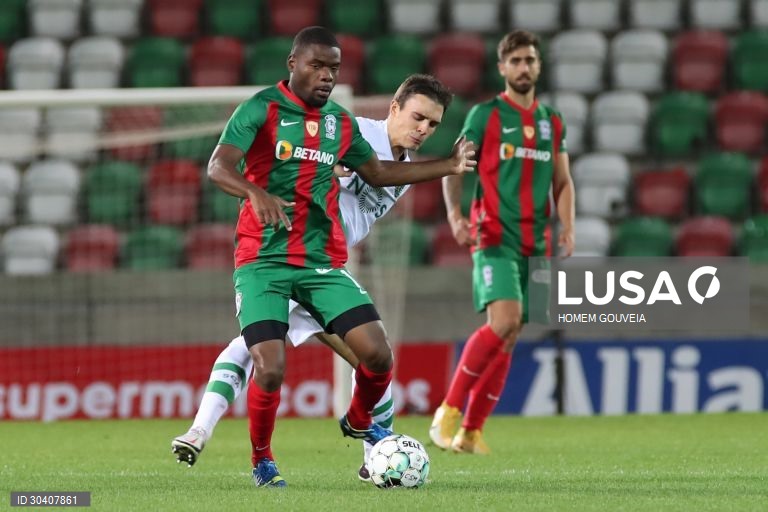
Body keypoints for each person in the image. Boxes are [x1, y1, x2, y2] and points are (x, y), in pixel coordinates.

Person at [201, 26, 474, 487]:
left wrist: (451, 175)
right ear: (394, 107)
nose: (424, 128)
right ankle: (210, 435)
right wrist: (268, 189)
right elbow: (294, 157)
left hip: (326, 267)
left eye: (432, 124)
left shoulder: (402, 162)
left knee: (375, 361)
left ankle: (370, 448)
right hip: (290, 256)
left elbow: (386, 173)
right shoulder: (350, 129)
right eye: (418, 117)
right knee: (260, 355)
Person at [429, 29, 575, 455]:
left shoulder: (553, 122)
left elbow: (563, 181)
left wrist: (567, 225)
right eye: (515, 61)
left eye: (530, 60)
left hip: (538, 241)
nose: (523, 68)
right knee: (504, 321)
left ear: (539, 65)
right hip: (494, 234)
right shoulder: (486, 116)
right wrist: (456, 216)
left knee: (512, 335)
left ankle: (470, 433)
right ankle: (449, 411)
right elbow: (454, 166)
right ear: (502, 68)